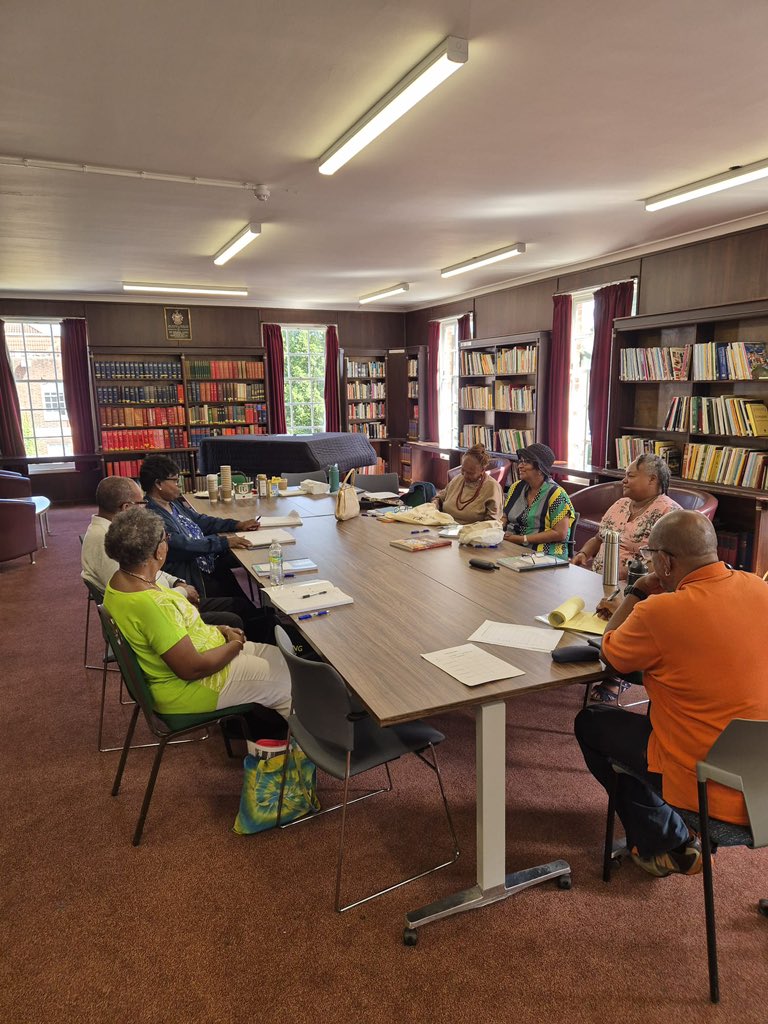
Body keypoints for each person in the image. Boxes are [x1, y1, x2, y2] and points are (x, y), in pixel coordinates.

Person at [574, 510, 768, 878]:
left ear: (664, 561)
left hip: (710, 782)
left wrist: (638, 591)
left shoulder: (661, 610)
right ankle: (672, 829)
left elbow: (610, 651)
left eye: (650, 557)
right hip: (763, 776)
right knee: (664, 709)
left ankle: (668, 841)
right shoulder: (760, 588)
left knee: (593, 723)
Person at [103, 507, 290, 742]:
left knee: (282, 660)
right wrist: (233, 645)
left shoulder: (124, 581)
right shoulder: (151, 605)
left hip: (199, 663)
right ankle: (304, 755)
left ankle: (277, 734)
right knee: (288, 683)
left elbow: (179, 631)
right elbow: (192, 669)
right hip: (191, 688)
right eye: (166, 538)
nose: (167, 543)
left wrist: (219, 630)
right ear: (157, 551)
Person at [81, 476, 243, 629]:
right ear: (127, 508)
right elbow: (139, 599)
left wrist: (177, 582)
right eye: (142, 503)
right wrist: (181, 592)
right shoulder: (107, 542)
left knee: (237, 605)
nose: (145, 508)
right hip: (163, 614)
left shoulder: (113, 531)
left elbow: (145, 571)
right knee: (235, 615)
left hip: (169, 597)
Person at [141, 454, 261, 618]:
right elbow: (182, 545)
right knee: (240, 604)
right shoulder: (152, 515)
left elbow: (200, 521)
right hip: (192, 573)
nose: (179, 486)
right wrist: (224, 542)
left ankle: (261, 616)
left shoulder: (172, 502)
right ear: (158, 484)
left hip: (205, 560)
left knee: (246, 558)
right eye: (175, 481)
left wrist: (235, 524)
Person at [572, 454, 680, 579]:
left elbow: (666, 563)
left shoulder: (669, 514)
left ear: (652, 479)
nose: (624, 480)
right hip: (597, 581)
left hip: (635, 590)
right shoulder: (621, 504)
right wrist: (583, 554)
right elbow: (598, 538)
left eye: (631, 476)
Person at [502, 442, 575, 556]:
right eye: (520, 461)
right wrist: (495, 529)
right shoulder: (516, 488)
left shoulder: (556, 494)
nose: (520, 466)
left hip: (545, 553)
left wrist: (522, 539)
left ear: (540, 468)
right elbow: (505, 517)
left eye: (526, 462)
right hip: (513, 546)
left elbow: (560, 533)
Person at [432, 443, 503, 524]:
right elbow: (439, 498)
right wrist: (434, 504)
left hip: (473, 533)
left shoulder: (492, 487)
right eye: (463, 470)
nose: (465, 476)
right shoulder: (458, 479)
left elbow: (491, 524)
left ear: (482, 471)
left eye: (470, 473)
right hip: (444, 527)